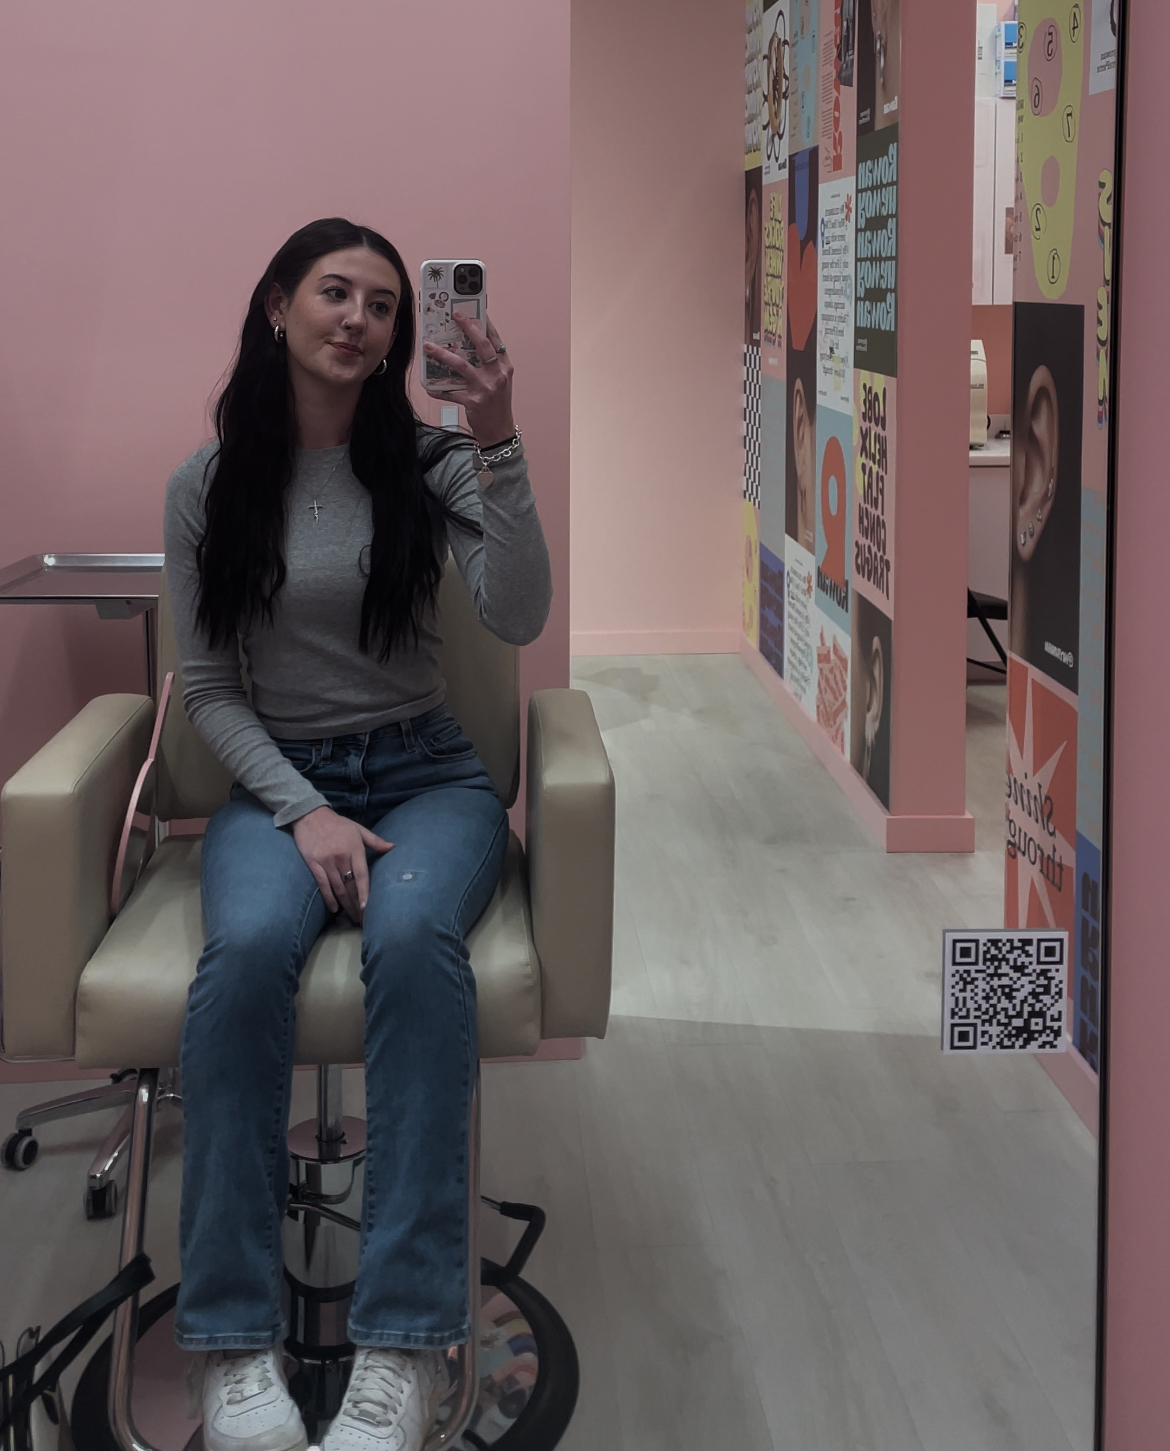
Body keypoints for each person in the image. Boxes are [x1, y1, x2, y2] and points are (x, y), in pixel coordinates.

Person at [162, 217, 552, 1451]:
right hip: (287, 788)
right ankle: (233, 1347)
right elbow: (210, 689)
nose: (361, 319)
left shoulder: (429, 463)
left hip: (431, 774)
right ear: (278, 304)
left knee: (413, 935)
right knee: (240, 964)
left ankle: (400, 1344)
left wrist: (498, 441)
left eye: (384, 305)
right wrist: (306, 808)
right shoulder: (206, 488)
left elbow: (520, 607)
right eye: (337, 292)